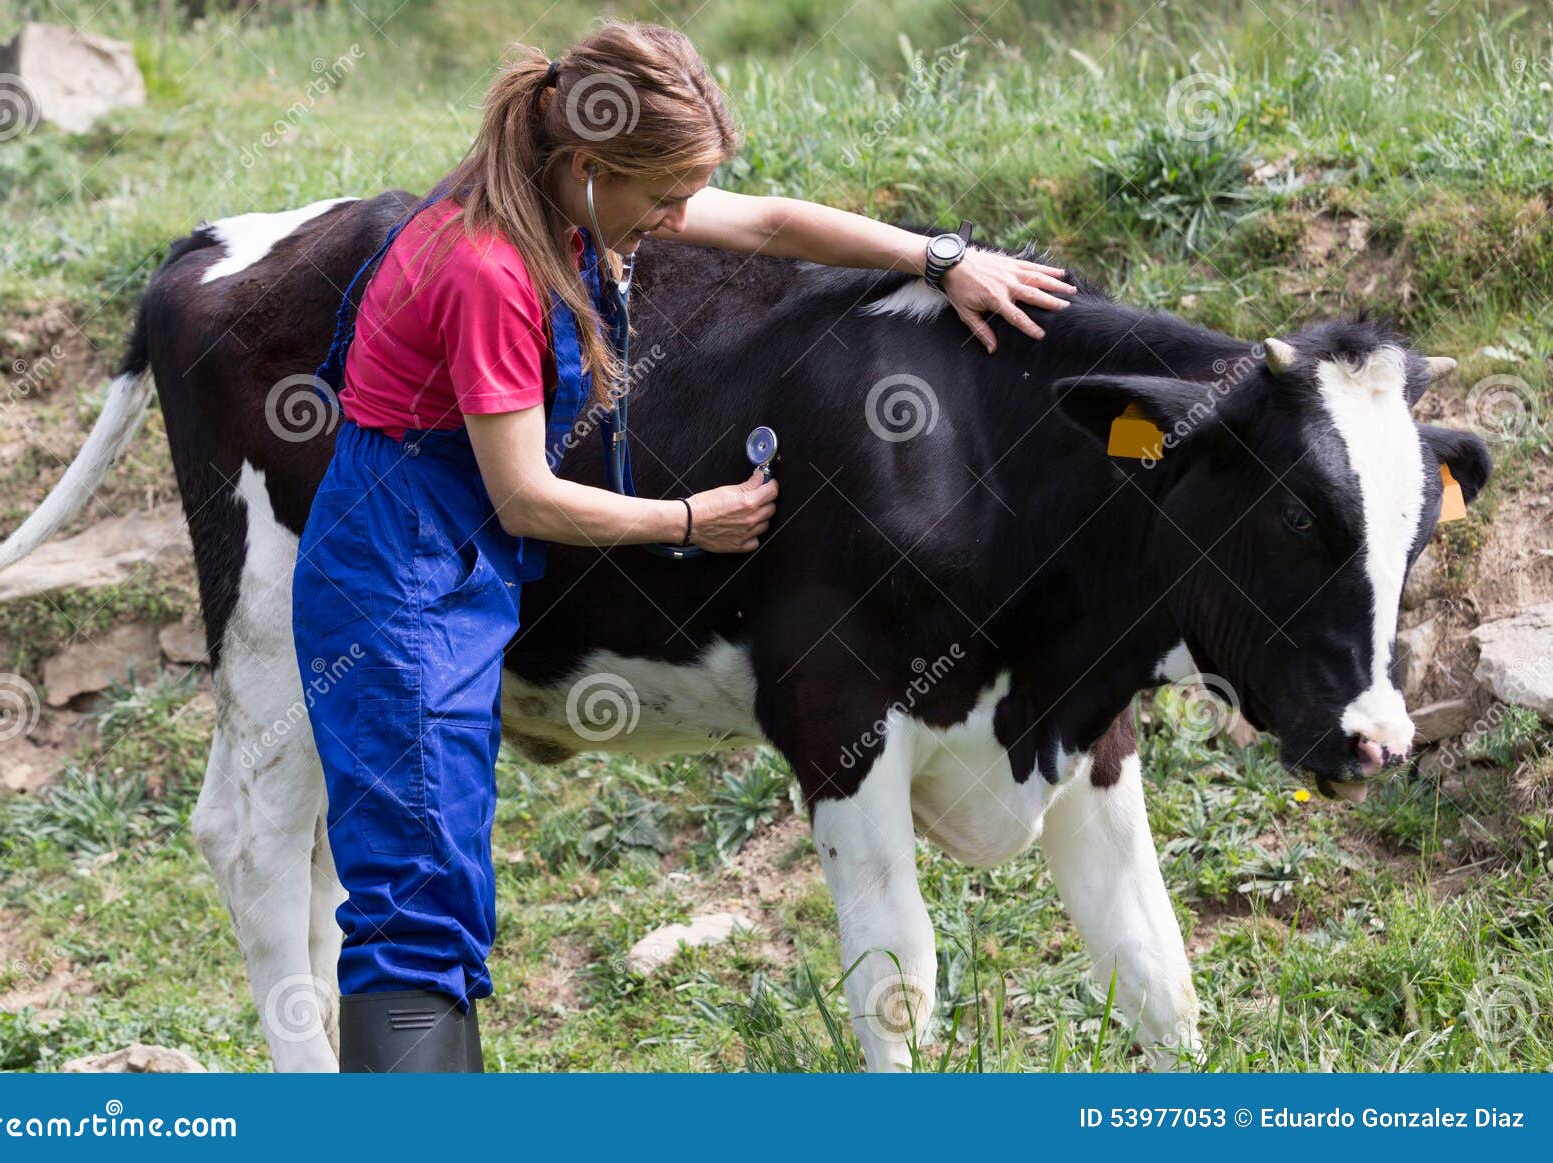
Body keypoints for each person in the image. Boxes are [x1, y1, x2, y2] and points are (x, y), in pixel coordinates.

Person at [291, 18, 1076, 1073]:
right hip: (398, 582)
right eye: (663, 199)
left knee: (443, 887)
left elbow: (768, 225)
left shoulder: (553, 197)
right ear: (590, 164)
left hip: (451, 570)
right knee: (415, 900)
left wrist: (941, 259)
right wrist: (690, 521)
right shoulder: (486, 269)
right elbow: (522, 495)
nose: (675, 222)